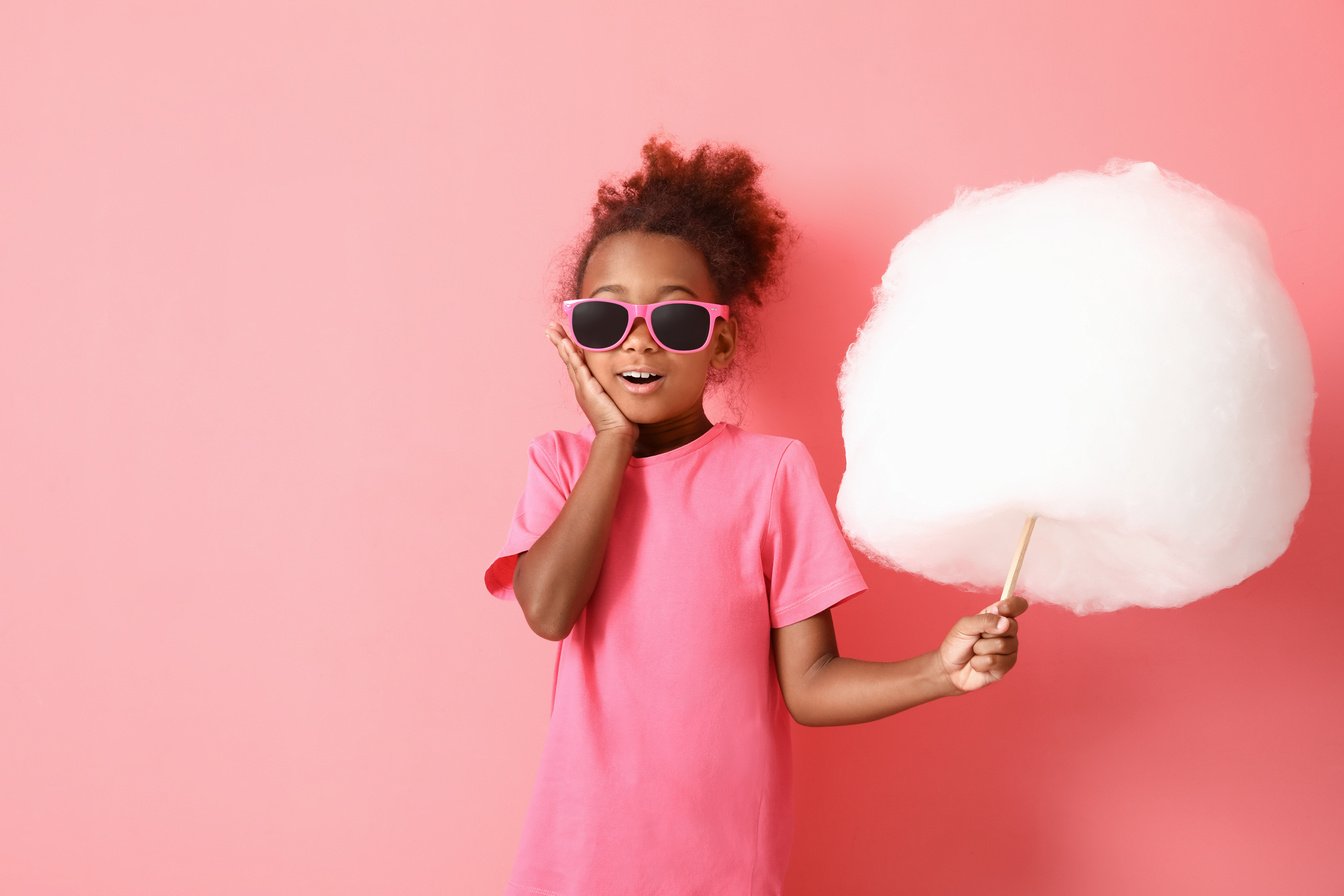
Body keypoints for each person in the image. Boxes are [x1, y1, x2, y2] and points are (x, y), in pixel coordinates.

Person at [482, 133, 1028, 896]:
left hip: (720, 870)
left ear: (721, 338)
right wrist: (612, 440)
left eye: (675, 322)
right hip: (575, 863)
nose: (638, 341)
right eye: (605, 322)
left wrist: (940, 670)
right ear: (576, 339)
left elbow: (809, 685)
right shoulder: (561, 464)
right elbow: (548, 609)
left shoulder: (770, 475)